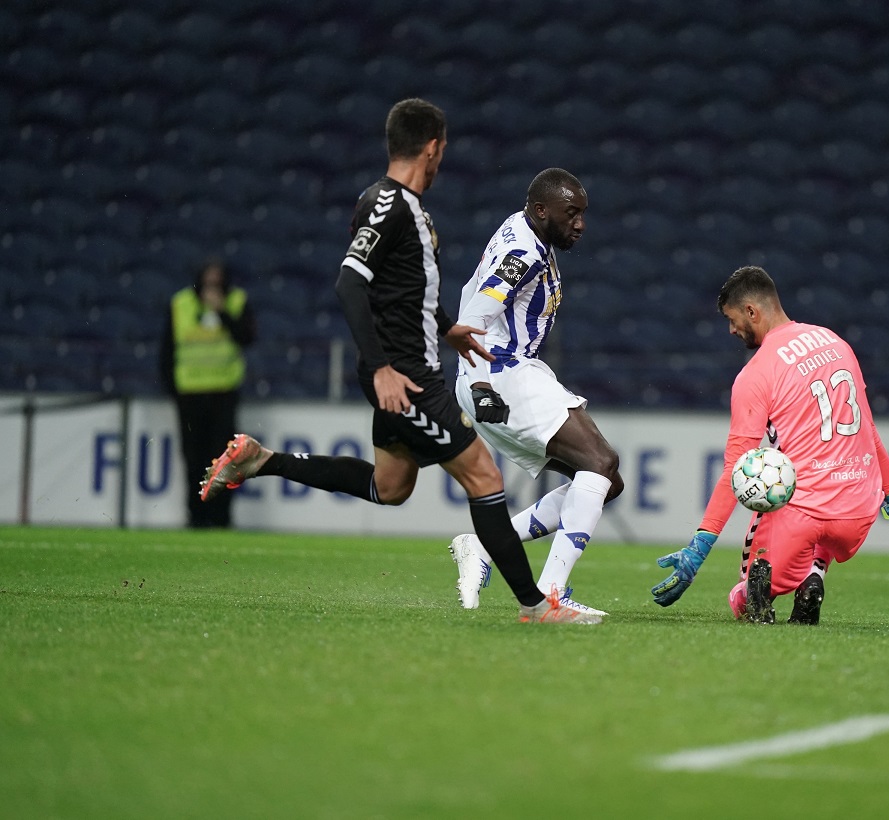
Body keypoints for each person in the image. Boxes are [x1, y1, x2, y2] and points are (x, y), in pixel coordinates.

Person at [198, 98, 598, 625]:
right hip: (405, 376)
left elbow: (405, 291)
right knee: (483, 476)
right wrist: (381, 366)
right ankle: (536, 604)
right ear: (432, 148)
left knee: (389, 487)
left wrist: (448, 327)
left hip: (411, 367)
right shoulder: (391, 206)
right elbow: (350, 283)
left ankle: (263, 461)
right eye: (443, 150)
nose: (442, 159)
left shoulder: (403, 207)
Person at [650, 266, 889, 624]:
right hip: (858, 514)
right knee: (823, 525)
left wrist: (699, 548)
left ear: (752, 311)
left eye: (732, 319)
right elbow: (869, 434)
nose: (732, 330)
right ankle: (814, 573)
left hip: (801, 515)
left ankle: (758, 590)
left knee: (744, 598)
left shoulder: (755, 374)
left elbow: (734, 468)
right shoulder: (836, 343)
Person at [446, 168, 623, 616]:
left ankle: (484, 545)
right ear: (541, 210)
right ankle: (550, 594)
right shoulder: (523, 253)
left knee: (605, 481)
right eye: (571, 213)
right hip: (501, 375)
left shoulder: (524, 230)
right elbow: (473, 318)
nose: (580, 224)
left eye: (582, 213)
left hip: (503, 374)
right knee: (601, 463)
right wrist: (482, 385)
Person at [159, 257, 255, 529]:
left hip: (223, 393)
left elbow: (246, 337)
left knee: (225, 459)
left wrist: (222, 312)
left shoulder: (237, 301)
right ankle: (196, 516)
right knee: (193, 458)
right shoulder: (180, 304)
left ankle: (221, 518)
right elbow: (167, 350)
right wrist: (173, 390)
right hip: (189, 395)